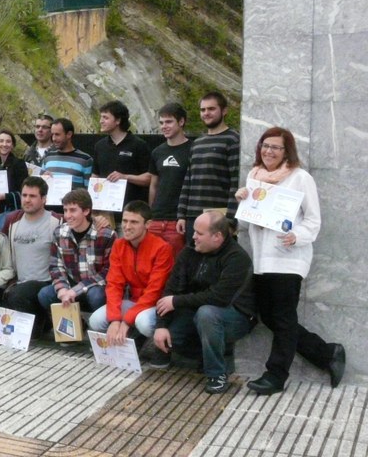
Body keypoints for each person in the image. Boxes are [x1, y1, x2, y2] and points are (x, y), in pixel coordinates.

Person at [236, 128, 345, 395]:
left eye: (276, 147)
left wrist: (296, 235)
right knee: (270, 318)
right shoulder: (255, 177)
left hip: (288, 259)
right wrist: (244, 202)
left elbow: (313, 220)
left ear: (287, 152)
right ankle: (326, 353)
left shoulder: (300, 178)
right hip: (262, 259)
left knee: (283, 318)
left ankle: (276, 375)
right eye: (265, 145)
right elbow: (248, 221)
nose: (269, 151)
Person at [154, 211, 256, 394]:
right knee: (170, 338)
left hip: (235, 315)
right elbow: (171, 287)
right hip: (196, 310)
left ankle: (217, 374)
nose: (193, 237)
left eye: (199, 233)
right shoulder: (190, 250)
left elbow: (218, 297)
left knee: (207, 314)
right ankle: (203, 354)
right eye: (194, 232)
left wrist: (177, 301)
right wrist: (161, 325)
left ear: (217, 237)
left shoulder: (237, 258)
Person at [88, 201, 174, 358]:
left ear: (147, 224)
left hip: (157, 305)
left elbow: (154, 291)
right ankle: (129, 339)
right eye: (125, 221)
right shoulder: (119, 245)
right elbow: (114, 284)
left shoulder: (162, 248)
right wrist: (114, 320)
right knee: (96, 320)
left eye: (134, 222)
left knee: (144, 323)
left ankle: (157, 349)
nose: (127, 226)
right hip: (134, 301)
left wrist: (126, 321)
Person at [37, 189, 115, 321]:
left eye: (73, 210)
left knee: (96, 296)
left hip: (95, 285)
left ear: (86, 211)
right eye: (65, 210)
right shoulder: (60, 232)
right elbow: (55, 265)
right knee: (45, 294)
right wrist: (62, 289)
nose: (68, 215)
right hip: (71, 283)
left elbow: (108, 271)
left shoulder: (106, 235)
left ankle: (100, 328)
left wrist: (77, 290)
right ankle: (75, 325)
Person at [177, 91, 239, 244]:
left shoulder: (233, 140)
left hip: (217, 218)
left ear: (224, 111)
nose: (206, 113)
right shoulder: (197, 142)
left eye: (211, 109)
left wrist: (230, 221)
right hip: (193, 217)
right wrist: (181, 215)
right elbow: (188, 180)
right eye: (203, 110)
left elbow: (236, 183)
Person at [2, 177, 61, 335]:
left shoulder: (57, 221)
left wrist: (99, 220)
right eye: (24, 195)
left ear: (43, 199)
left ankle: (43, 320)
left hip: (46, 282)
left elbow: (83, 221)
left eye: (32, 196)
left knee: (18, 295)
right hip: (18, 281)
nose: (27, 200)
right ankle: (44, 323)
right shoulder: (12, 220)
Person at [92, 100, 151, 228]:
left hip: (130, 216)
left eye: (105, 117)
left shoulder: (138, 145)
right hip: (104, 215)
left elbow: (149, 178)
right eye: (101, 117)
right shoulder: (100, 146)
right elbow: (95, 175)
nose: (101, 121)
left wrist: (125, 176)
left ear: (118, 120)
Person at [148, 103, 191, 256]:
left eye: (169, 122)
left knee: (175, 266)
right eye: (161, 123)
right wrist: (150, 214)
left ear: (181, 122)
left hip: (178, 219)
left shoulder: (193, 150)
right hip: (156, 219)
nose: (164, 126)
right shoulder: (157, 152)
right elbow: (154, 185)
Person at [42, 118, 93, 213]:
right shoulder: (48, 156)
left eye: (57, 135)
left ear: (69, 134)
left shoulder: (85, 159)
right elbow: (39, 186)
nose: (53, 139)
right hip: (47, 213)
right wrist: (44, 178)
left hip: (72, 214)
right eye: (52, 134)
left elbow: (89, 191)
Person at [0, 129, 29, 219]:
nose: (4, 144)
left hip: (12, 213)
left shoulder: (19, 164)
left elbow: (24, 192)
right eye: (1, 141)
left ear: (13, 145)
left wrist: (3, 196)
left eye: (8, 141)